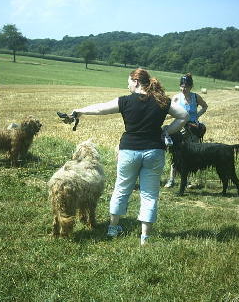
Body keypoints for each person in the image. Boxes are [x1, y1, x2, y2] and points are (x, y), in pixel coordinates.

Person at [71, 68, 188, 245]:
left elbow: (101, 108)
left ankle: (112, 228)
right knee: (149, 194)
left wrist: (80, 110)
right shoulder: (162, 101)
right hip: (154, 151)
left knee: (121, 189)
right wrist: (167, 130)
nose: (127, 86)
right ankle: (145, 237)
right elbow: (184, 116)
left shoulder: (125, 101)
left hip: (129, 151)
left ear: (136, 82)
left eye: (128, 82)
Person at [164, 73, 208, 188]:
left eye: (186, 87)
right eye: (182, 86)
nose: (184, 89)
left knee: (192, 155)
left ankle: (187, 181)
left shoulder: (196, 97)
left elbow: (205, 106)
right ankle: (171, 179)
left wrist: (197, 116)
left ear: (191, 87)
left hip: (193, 130)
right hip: (179, 129)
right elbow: (171, 113)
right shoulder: (176, 98)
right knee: (176, 154)